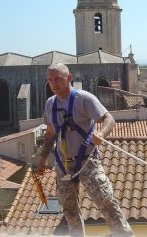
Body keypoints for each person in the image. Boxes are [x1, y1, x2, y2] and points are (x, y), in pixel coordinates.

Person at [38, 63, 134, 237]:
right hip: (63, 164)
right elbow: (51, 133)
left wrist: (102, 133)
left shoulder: (84, 98)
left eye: (57, 79)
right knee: (69, 209)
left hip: (87, 161)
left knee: (106, 201)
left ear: (69, 78)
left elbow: (109, 118)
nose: (53, 83)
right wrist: (43, 158)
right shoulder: (50, 104)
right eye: (50, 80)